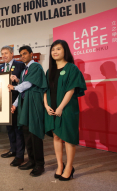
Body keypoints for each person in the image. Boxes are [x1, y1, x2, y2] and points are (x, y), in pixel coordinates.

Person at [44, 40, 86, 181]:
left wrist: (61, 107)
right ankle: (59, 165)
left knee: (68, 139)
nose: (55, 52)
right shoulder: (49, 71)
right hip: (52, 109)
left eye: (58, 49)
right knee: (56, 137)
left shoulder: (72, 68)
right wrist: (46, 105)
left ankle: (69, 167)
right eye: (53, 50)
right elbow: (45, 90)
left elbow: (71, 89)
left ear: (65, 51)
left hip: (67, 109)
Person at [9, 46, 47, 177]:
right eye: (21, 54)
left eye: (25, 54)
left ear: (31, 54)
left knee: (35, 134)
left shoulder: (35, 67)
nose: (22, 56)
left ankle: (40, 164)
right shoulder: (24, 70)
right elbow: (22, 91)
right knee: (27, 134)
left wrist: (13, 87)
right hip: (25, 105)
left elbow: (28, 84)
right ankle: (31, 161)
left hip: (34, 104)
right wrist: (14, 105)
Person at [0, 46, 25, 167]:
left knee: (18, 129)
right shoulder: (0, 68)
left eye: (6, 53)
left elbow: (25, 83)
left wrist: (17, 80)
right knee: (9, 128)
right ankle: (13, 150)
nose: (4, 55)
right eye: (2, 53)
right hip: (4, 101)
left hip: (17, 101)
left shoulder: (20, 65)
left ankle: (20, 156)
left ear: (12, 54)